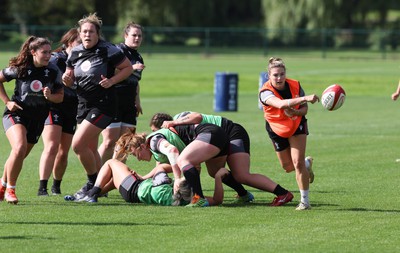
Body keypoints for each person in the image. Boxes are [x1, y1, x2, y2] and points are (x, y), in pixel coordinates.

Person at [155, 111, 294, 206]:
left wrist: (175, 121)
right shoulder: (177, 134)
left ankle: (283, 194)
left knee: (242, 175)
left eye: (156, 130)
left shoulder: (179, 119)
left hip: (232, 132)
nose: (157, 133)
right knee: (215, 172)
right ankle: (244, 195)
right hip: (216, 138)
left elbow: (197, 116)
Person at [62, 13, 132, 200]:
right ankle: (98, 187)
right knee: (90, 149)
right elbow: (69, 79)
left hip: (103, 105)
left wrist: (112, 80)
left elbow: (128, 68)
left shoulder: (108, 49)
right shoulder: (74, 52)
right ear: (80, 33)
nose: (87, 35)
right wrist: (66, 80)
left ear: (97, 34)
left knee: (77, 145)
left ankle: (92, 185)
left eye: (91, 31)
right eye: (84, 31)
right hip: (83, 104)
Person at [0, 36, 64, 204]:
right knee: (19, 147)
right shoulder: (20, 68)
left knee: (19, 155)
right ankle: (10, 190)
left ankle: (2, 184)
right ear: (33, 52)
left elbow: (60, 97)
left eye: (49, 52)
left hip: (37, 119)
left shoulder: (53, 71)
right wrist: (8, 101)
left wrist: (51, 96)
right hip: (16, 115)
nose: (48, 56)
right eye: (44, 52)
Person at [113, 123, 230, 207]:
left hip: (209, 132)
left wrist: (178, 178)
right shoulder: (157, 153)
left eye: (136, 154)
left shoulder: (153, 142)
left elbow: (172, 151)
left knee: (185, 161)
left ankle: (199, 199)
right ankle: (244, 194)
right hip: (216, 134)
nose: (138, 159)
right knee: (217, 172)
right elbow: (160, 167)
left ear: (142, 147)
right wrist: (218, 178)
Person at [259, 57, 319, 210]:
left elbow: (305, 109)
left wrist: (296, 111)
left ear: (285, 74)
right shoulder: (265, 92)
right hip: (276, 128)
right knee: (287, 166)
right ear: (269, 76)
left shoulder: (295, 85)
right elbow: (280, 104)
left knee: (297, 163)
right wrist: (306, 98)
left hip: (297, 125)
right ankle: (307, 164)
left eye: (282, 74)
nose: (279, 78)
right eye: (275, 75)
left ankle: (305, 201)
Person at [74, 159, 228, 207]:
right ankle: (90, 195)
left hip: (134, 188)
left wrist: (181, 167)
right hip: (133, 195)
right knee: (115, 179)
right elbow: (217, 200)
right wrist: (218, 178)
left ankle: (92, 193)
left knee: (111, 163)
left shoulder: (164, 182)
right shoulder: (192, 200)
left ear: (176, 184)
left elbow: (160, 167)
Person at [37, 28, 81, 196]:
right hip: (53, 106)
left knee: (63, 152)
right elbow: (43, 75)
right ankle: (42, 187)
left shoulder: (83, 59)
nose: (82, 46)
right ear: (69, 42)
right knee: (52, 146)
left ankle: (56, 186)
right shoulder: (56, 59)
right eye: (78, 42)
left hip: (72, 108)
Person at [98, 22, 145, 164]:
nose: (137, 38)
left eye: (139, 36)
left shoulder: (138, 56)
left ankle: (118, 177)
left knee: (125, 143)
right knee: (109, 142)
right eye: (134, 35)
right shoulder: (117, 51)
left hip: (129, 104)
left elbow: (135, 82)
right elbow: (109, 73)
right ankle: (94, 176)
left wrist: (137, 101)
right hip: (113, 101)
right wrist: (131, 67)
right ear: (125, 36)